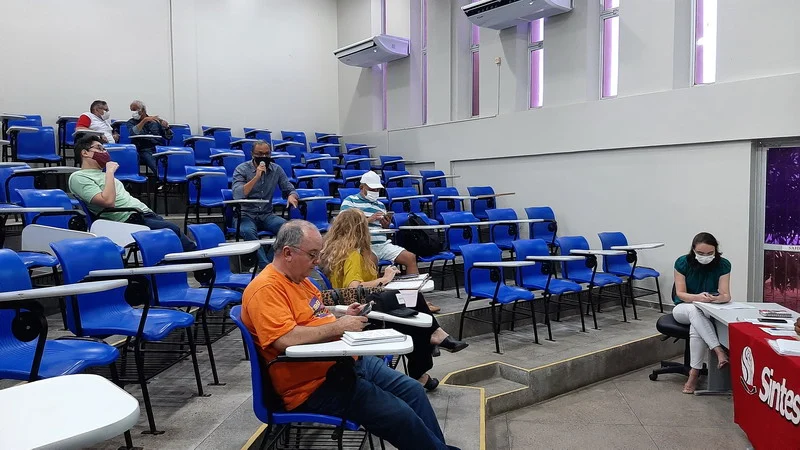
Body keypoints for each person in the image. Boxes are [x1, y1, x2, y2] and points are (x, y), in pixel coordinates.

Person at [241, 220, 459, 450]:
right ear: (287, 253)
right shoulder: (266, 289)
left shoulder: (300, 280)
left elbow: (312, 314)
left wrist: (340, 314)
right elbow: (284, 339)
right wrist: (338, 327)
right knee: (400, 415)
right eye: (312, 255)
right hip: (316, 384)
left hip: (344, 363)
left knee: (413, 391)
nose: (317, 262)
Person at [319, 209, 468, 389]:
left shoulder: (335, 251)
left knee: (414, 311)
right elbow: (353, 287)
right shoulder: (353, 254)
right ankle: (427, 355)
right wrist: (385, 278)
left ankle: (430, 351)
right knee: (415, 321)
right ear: (361, 229)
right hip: (362, 311)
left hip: (358, 305)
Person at [69, 135, 196, 252]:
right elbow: (108, 201)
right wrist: (110, 172)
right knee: (171, 230)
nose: (104, 152)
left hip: (143, 214)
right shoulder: (79, 177)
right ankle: (198, 258)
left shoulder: (103, 174)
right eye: (99, 148)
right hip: (126, 219)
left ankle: (195, 258)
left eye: (104, 149)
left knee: (172, 236)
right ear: (85, 153)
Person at [340, 171, 440, 313]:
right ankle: (375, 301)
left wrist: (385, 224)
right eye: (372, 189)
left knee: (410, 257)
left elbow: (384, 229)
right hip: (363, 245)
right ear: (362, 187)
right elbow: (344, 225)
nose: (375, 192)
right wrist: (369, 219)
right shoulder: (350, 201)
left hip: (382, 243)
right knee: (371, 262)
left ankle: (415, 300)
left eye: (377, 190)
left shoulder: (380, 205)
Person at [672, 232, 732, 394]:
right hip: (683, 307)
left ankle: (694, 373)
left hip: (706, 311)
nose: (705, 256)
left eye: (709, 253)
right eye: (700, 253)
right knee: (694, 310)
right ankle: (718, 350)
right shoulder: (682, 262)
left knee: (696, 326)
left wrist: (716, 298)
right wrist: (697, 298)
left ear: (716, 250)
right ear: (693, 250)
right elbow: (680, 294)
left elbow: (726, 295)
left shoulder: (723, 265)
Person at [231, 140, 299, 269]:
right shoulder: (241, 169)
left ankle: (271, 262)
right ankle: (265, 267)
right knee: (248, 231)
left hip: (267, 214)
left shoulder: (276, 169)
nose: (263, 157)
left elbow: (289, 188)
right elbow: (238, 194)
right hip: (245, 215)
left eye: (267, 154)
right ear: (252, 154)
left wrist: (292, 195)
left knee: (288, 229)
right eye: (260, 154)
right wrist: (256, 176)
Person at [126, 100, 171, 176]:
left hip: (159, 148)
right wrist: (144, 120)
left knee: (171, 160)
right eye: (131, 110)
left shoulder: (156, 121)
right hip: (143, 149)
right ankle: (162, 178)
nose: (133, 112)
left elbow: (169, 137)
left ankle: (173, 178)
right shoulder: (131, 122)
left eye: (134, 110)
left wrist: (167, 128)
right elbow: (133, 132)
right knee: (155, 165)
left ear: (142, 110)